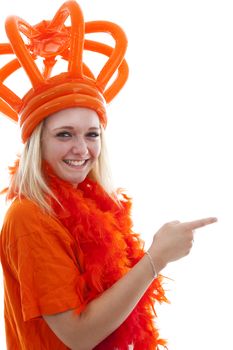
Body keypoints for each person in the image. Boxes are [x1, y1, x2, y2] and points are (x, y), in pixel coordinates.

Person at [0, 1, 217, 349]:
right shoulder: (29, 218)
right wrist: (156, 258)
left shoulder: (94, 204)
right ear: (36, 144)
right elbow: (79, 335)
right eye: (64, 134)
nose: (82, 149)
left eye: (92, 134)